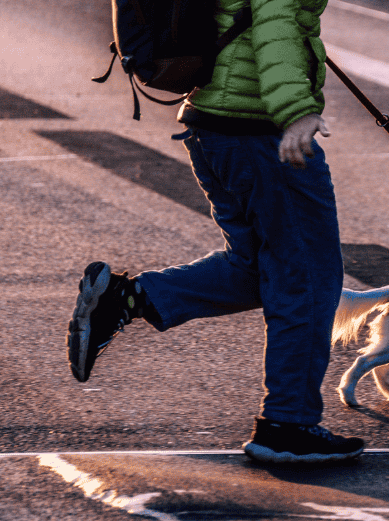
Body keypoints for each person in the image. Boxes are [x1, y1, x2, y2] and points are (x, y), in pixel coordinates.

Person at [66, 0, 365, 464]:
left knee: (253, 269)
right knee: (306, 279)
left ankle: (126, 298)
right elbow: (275, 23)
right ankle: (288, 426)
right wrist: (296, 111)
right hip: (260, 131)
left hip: (212, 125)